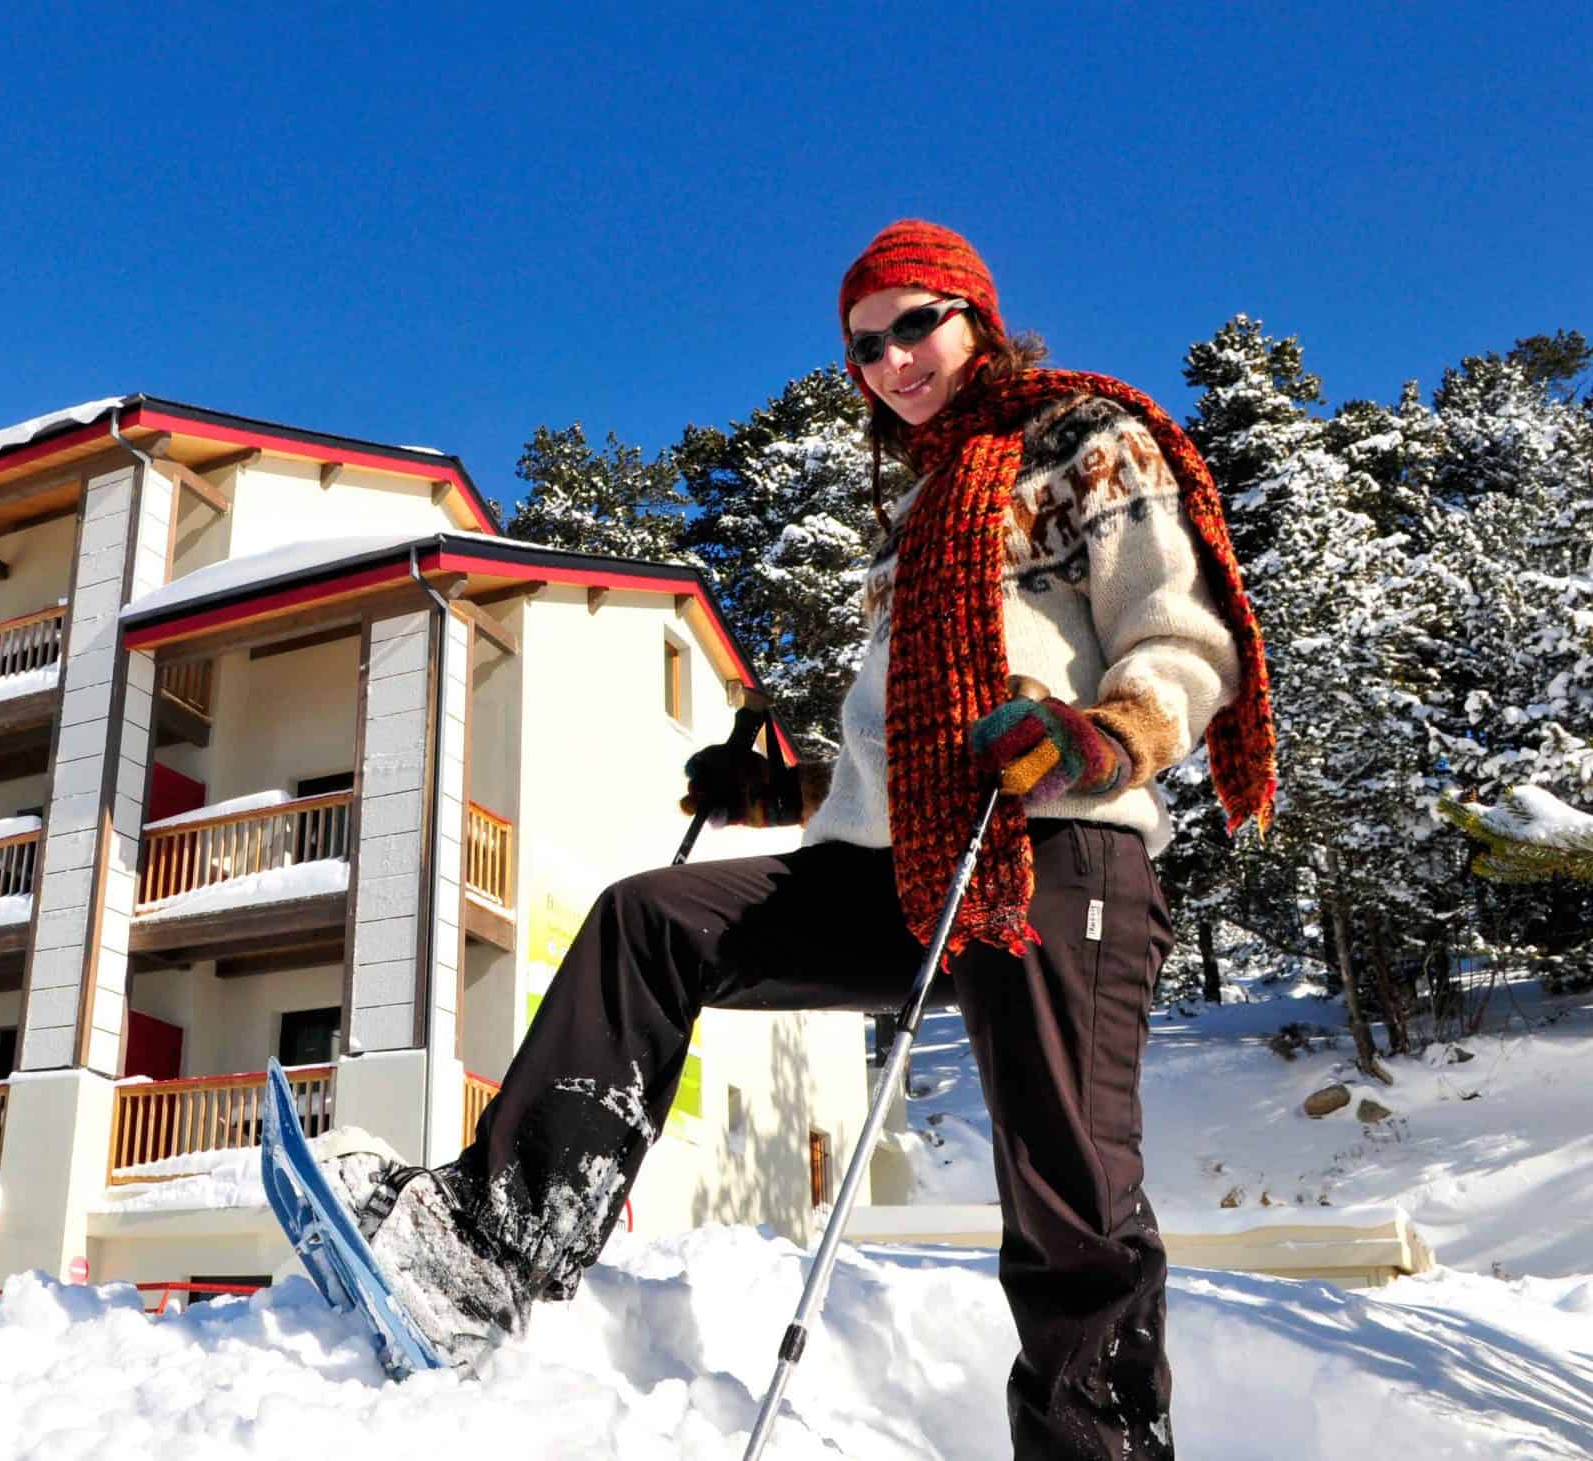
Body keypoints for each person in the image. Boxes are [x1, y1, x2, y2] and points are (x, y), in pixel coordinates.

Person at [328, 220, 1275, 1461]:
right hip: (910, 861)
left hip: (1061, 849)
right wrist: (785, 794)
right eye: (863, 345)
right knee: (649, 921)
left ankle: (1095, 1447)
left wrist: (1099, 735)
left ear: (976, 317)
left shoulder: (1087, 445)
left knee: (1067, 1192)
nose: (891, 358)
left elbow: (1179, 637)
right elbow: (910, 753)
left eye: (914, 323)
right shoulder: (919, 511)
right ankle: (495, 1241)